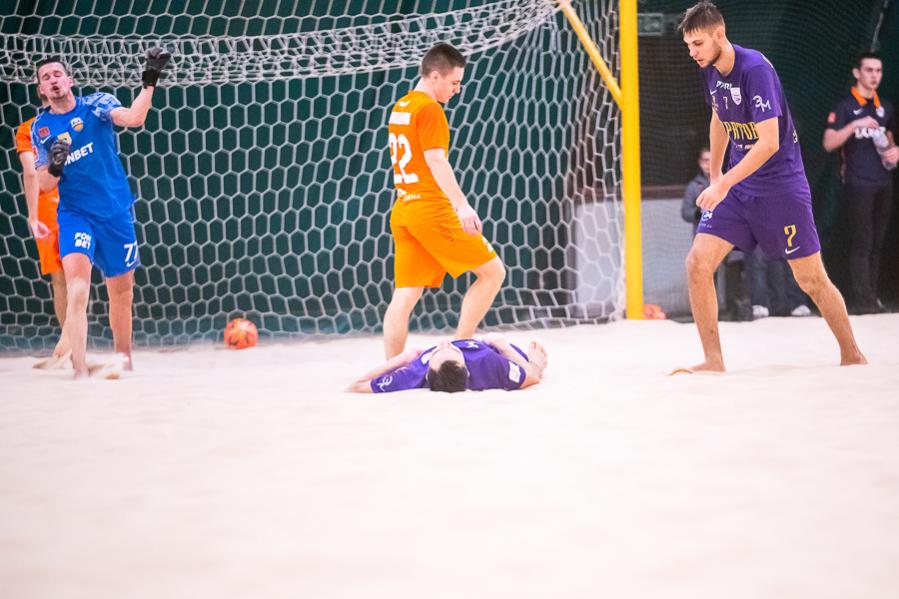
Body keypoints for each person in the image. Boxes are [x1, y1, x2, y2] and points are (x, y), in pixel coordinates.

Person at [677, 2, 865, 372]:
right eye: (688, 46)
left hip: (781, 188)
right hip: (739, 188)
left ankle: (852, 354)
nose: (692, 52)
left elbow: (768, 143)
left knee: (810, 279)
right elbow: (719, 119)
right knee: (697, 263)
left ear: (719, 34)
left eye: (697, 44)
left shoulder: (755, 69)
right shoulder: (710, 70)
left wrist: (723, 182)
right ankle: (713, 360)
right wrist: (716, 177)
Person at [32, 50, 170, 379]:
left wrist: (150, 78)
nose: (53, 80)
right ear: (41, 90)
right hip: (76, 215)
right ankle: (80, 369)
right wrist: (56, 165)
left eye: (57, 74)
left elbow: (134, 118)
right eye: (46, 78)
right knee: (78, 289)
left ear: (70, 80)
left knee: (121, 291)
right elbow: (45, 184)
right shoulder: (42, 128)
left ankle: (124, 360)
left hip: (115, 212)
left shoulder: (97, 105)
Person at [382, 43, 506, 360]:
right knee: (494, 273)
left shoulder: (401, 106)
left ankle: (391, 369)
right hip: (430, 210)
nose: (457, 90)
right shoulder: (429, 109)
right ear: (435, 76)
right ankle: (461, 351)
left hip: (404, 208)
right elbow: (436, 160)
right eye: (454, 82)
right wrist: (462, 205)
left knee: (404, 296)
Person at [823, 52, 899, 314]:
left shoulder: (885, 107)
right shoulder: (845, 106)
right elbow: (828, 142)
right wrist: (854, 125)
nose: (874, 75)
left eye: (878, 71)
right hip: (858, 182)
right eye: (869, 70)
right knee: (862, 242)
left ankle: (873, 296)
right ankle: (862, 299)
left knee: (878, 242)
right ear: (857, 73)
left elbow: (890, 142)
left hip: (883, 181)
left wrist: (894, 152)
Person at [15, 91, 71, 369]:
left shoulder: (27, 129)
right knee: (81, 274)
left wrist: (33, 216)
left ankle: (68, 343)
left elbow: (30, 173)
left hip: (49, 206)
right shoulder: (80, 118)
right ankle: (74, 340)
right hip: (80, 197)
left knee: (61, 279)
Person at [348, 333, 547, 393]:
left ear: (427, 372)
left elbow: (356, 386)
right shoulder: (489, 362)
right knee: (534, 367)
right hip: (499, 351)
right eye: (452, 350)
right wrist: (503, 347)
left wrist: (403, 358)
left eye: (438, 351)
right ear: (466, 367)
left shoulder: (413, 375)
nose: (444, 343)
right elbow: (532, 378)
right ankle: (537, 361)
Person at [682, 147, 750, 321]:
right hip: (705, 237)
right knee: (705, 273)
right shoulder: (694, 186)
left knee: (733, 272)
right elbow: (685, 212)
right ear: (700, 163)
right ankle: (706, 314)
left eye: (711, 160)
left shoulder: (728, 182)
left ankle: (735, 310)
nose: (708, 164)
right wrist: (700, 211)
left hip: (728, 237)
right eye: (705, 160)